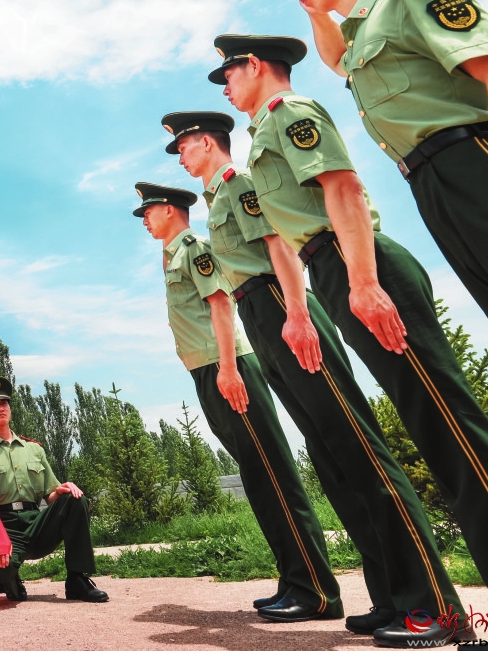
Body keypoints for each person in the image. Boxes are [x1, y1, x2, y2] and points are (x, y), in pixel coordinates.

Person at [214, 31, 488, 646]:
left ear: (255, 66)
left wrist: (363, 281)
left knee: (452, 432)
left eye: (229, 74)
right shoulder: (265, 132)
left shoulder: (292, 113)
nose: (226, 86)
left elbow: (342, 187)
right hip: (333, 266)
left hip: (358, 264)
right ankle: (473, 607)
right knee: (437, 434)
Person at [163, 110, 456, 636]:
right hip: (259, 311)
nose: (180, 157)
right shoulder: (216, 199)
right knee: (333, 458)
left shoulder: (240, 182)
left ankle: (432, 604)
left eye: (184, 147)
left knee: (358, 448)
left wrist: (297, 314)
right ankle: (391, 596)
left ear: (206, 143)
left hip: (282, 304)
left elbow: (278, 246)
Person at [269, 0, 488, 395]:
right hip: (433, 188)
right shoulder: (362, 34)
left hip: (483, 164)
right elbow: (339, 61)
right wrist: (315, 9)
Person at [135, 181, 343, 624]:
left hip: (226, 367)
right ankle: (295, 580)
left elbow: (220, 306)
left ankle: (317, 591)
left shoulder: (193, 248)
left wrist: (228, 369)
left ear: (169, 210)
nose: (145, 220)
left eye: (149, 212)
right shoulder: (173, 256)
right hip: (207, 368)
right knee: (258, 477)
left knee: (273, 475)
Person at [0, 376, 107, 604]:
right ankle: (11, 580)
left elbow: (49, 496)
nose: (1, 408)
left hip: (36, 524)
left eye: (4, 403)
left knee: (75, 499)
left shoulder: (33, 449)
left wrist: (63, 490)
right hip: (5, 528)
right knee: (1, 571)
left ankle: (77, 580)